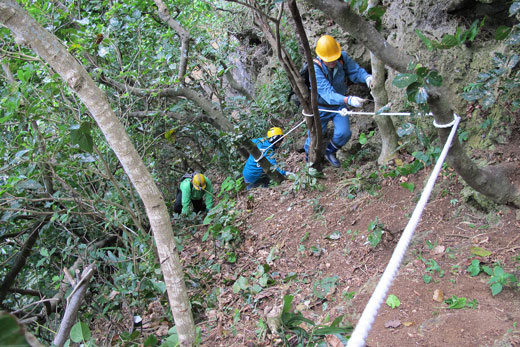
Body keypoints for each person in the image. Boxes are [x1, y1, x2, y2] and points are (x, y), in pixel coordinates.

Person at [304, 34, 373, 168]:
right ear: (321, 57)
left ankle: (330, 152)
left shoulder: (342, 57)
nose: (332, 62)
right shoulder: (314, 69)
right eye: (329, 60)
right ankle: (310, 164)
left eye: (334, 59)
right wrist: (348, 99)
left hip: (338, 105)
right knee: (313, 138)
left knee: (344, 133)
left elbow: (355, 71)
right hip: (320, 107)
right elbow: (328, 94)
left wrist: (366, 78)